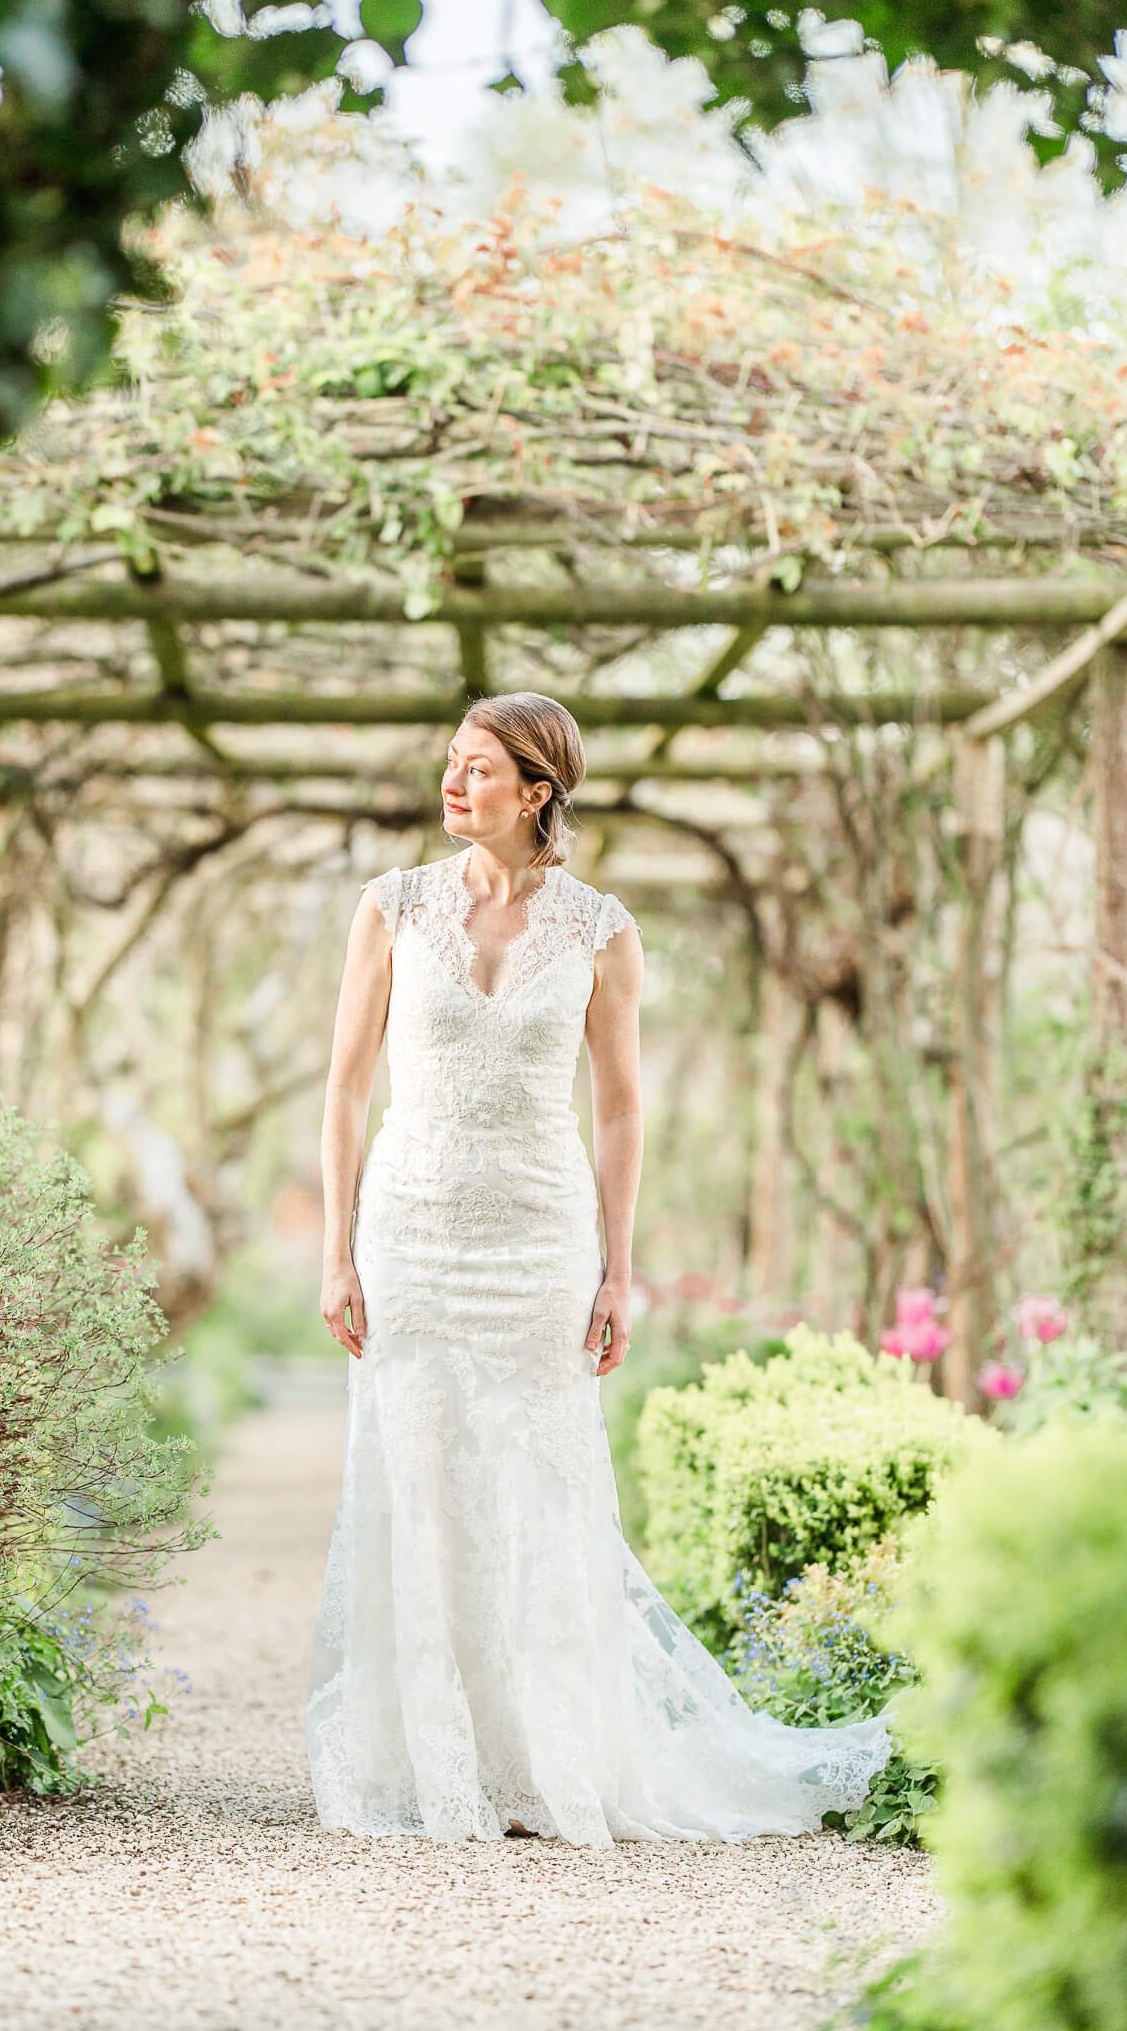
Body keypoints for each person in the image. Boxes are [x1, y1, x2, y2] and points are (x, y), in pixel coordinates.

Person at [309, 691, 889, 1848]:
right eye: (450, 764)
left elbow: (620, 1111)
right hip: (413, 1230)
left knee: (536, 1485)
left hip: (538, 1235)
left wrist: (618, 1270)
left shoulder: (599, 929)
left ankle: (548, 1753)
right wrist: (337, 1247)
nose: (452, 784)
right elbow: (342, 1090)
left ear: (536, 793)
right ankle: (437, 1756)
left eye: (478, 770)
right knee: (417, 1477)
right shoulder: (390, 909)